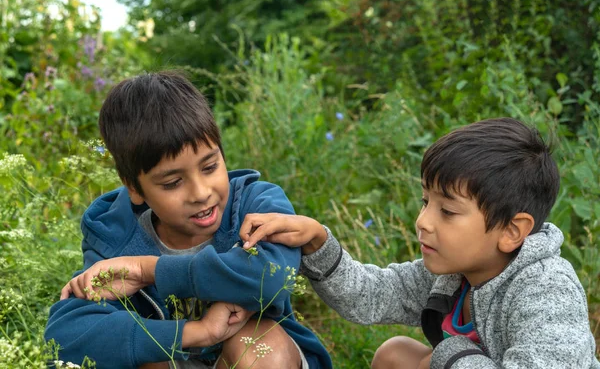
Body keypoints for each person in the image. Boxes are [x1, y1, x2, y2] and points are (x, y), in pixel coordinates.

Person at [239, 118, 600, 368]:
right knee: (396, 356)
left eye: (448, 211)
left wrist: (452, 354)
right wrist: (317, 241)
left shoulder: (547, 290)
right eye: (426, 201)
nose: (423, 222)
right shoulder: (456, 275)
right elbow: (369, 296)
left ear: (511, 231)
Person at [44, 71, 332, 369]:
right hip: (174, 360)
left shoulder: (256, 205)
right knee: (140, 355)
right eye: (172, 183)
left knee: (262, 348)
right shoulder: (114, 233)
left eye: (209, 167)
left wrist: (147, 270)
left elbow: (269, 279)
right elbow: (66, 337)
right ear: (134, 187)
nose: (200, 193)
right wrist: (199, 332)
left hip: (248, 357)